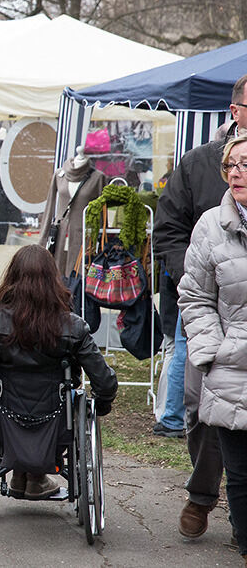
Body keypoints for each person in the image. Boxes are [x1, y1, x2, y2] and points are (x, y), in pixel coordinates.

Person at [154, 74, 247, 539]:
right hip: (208, 310)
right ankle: (203, 494)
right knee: (201, 408)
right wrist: (193, 275)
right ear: (235, 111)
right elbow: (166, 228)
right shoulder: (198, 164)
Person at [0, 245, 117, 498]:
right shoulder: (73, 326)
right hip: (58, 420)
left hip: (3, 420)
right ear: (53, 279)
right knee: (70, 402)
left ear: (11, 278)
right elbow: (104, 381)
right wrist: (102, 404)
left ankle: (21, 474)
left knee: (1, 402)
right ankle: (34, 478)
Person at [179, 133, 247, 560]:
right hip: (232, 363)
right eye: (232, 166)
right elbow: (196, 295)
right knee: (240, 473)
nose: (237, 173)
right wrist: (211, 350)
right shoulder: (211, 224)